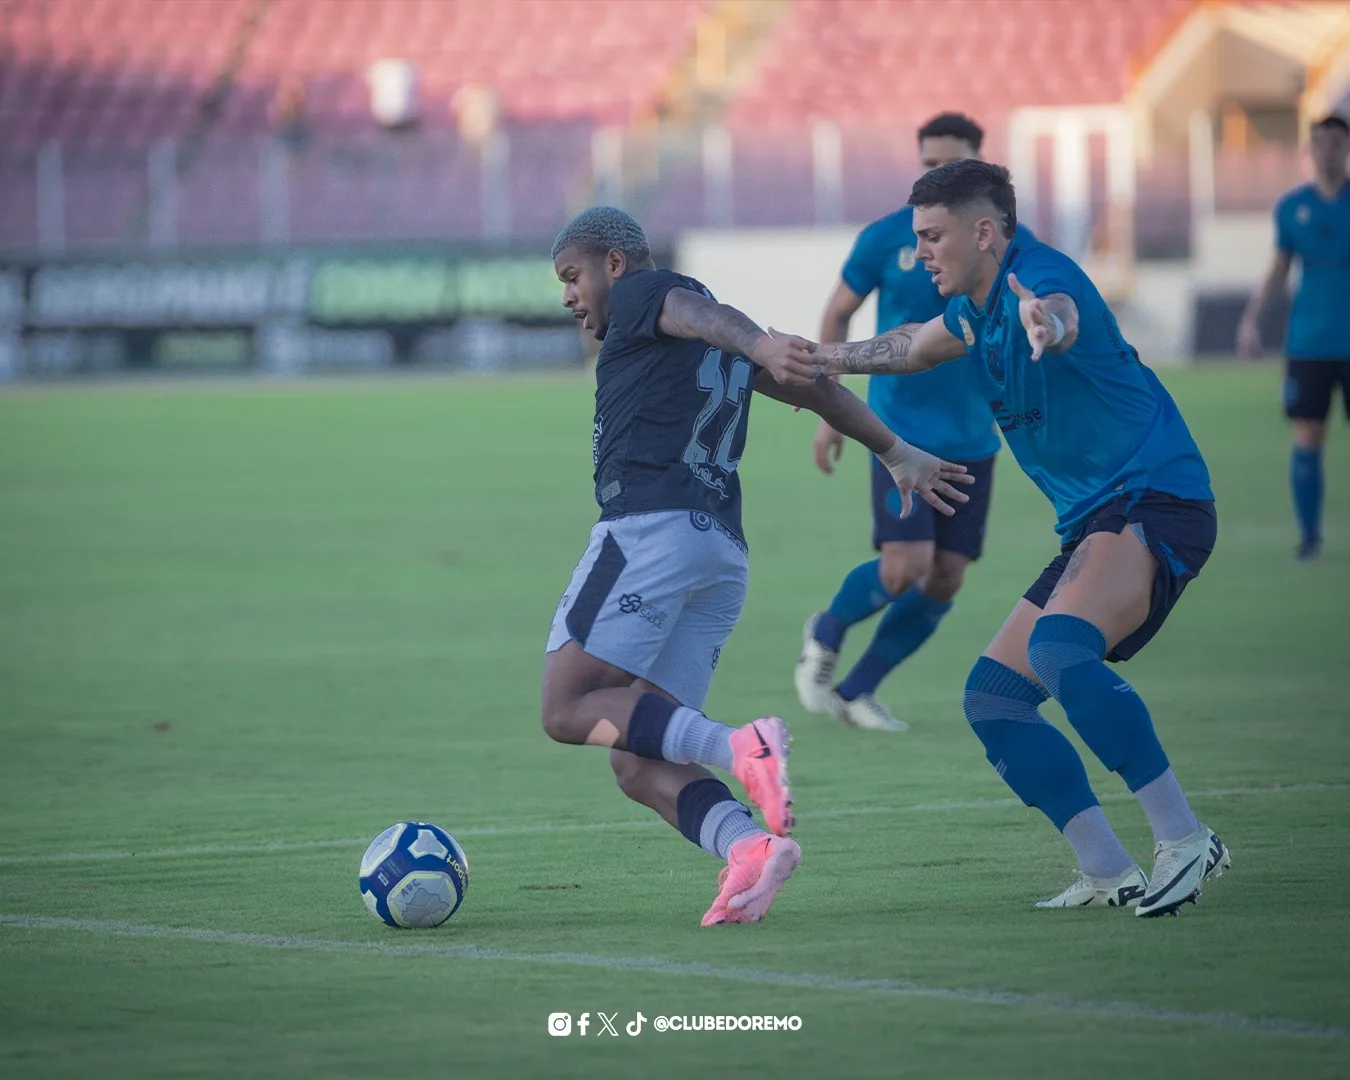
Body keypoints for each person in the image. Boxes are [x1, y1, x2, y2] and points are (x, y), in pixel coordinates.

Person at [785, 161, 1231, 917]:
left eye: (933, 236)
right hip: (1095, 517)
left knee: (1060, 649)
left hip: (1154, 495)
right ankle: (1106, 869)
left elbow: (1059, 315)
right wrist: (820, 357)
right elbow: (912, 346)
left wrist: (1045, 324)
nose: (920, 252)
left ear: (984, 232)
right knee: (994, 700)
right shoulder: (970, 309)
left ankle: (1185, 838)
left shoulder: (1039, 278)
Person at [540, 207, 972, 926]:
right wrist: (892, 449)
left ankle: (742, 745)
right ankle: (749, 849)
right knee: (637, 757)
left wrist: (758, 340)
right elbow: (810, 386)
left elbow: (704, 314)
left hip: (647, 532)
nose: (568, 297)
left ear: (614, 265)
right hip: (719, 553)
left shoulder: (649, 295)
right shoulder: (688, 329)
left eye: (572, 276)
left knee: (565, 707)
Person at [796, 112, 1028, 732]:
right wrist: (828, 411)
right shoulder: (886, 239)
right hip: (898, 431)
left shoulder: (1003, 247)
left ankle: (858, 689)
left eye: (949, 165)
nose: (934, 175)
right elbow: (839, 312)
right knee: (906, 566)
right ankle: (827, 626)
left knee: (946, 577)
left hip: (976, 436)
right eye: (928, 164)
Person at [1237, 113, 1350, 561]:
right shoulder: (1292, 207)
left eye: (1335, 142)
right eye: (1319, 142)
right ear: (1310, 150)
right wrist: (1251, 319)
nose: (1327, 149)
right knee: (1307, 438)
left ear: (1345, 149)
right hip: (1308, 343)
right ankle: (1310, 538)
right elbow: (1280, 268)